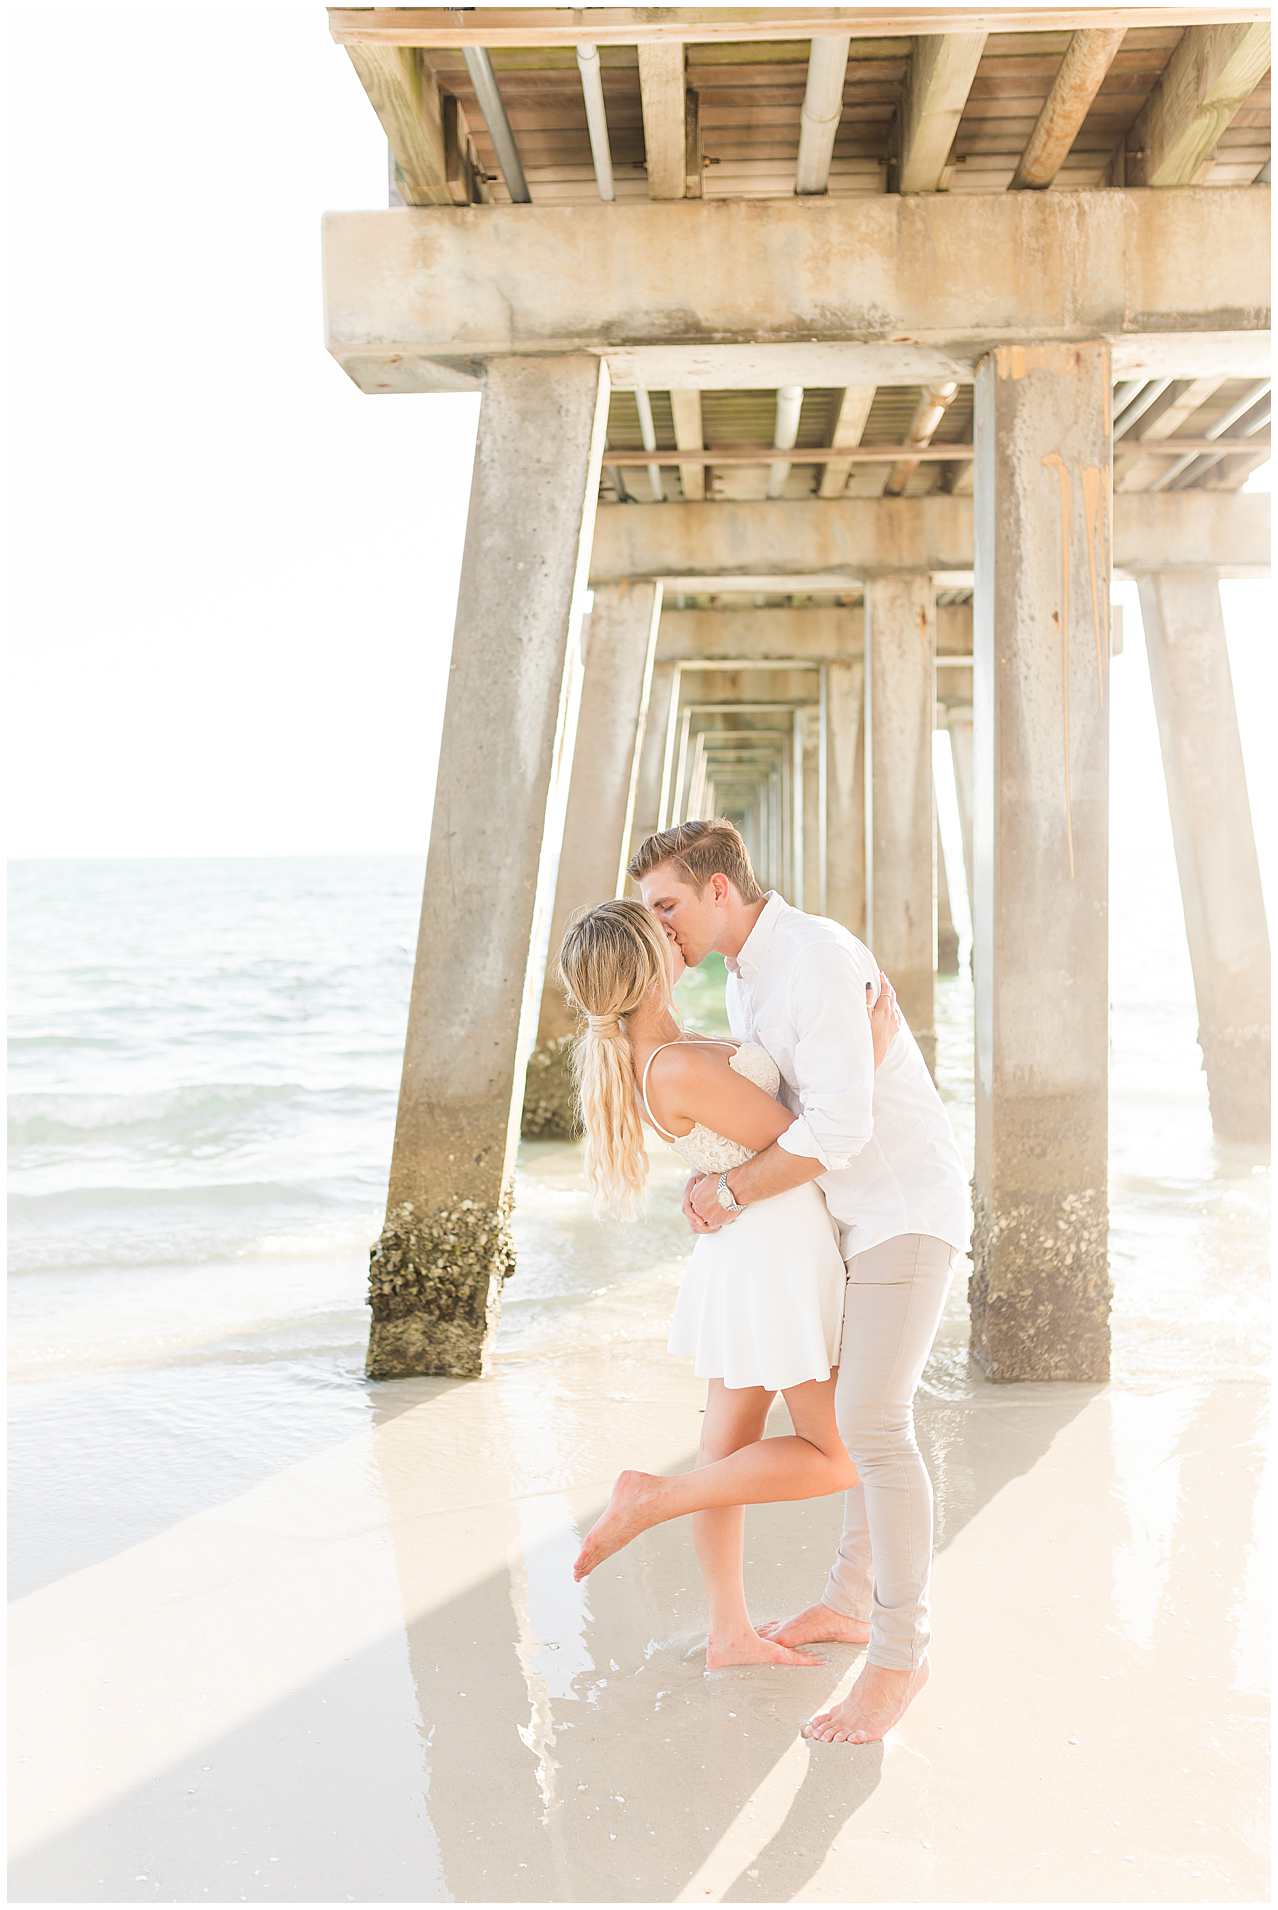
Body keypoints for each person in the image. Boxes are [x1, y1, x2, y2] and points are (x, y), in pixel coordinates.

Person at [628, 818, 972, 1748]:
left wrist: (726, 1191)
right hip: (842, 1224)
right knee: (858, 1420)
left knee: (872, 1430)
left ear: (719, 890)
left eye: (667, 907)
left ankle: (901, 1658)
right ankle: (850, 1607)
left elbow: (840, 1131)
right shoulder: (746, 981)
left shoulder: (814, 956)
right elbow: (775, 1109)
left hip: (900, 1210)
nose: (660, 930)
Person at [557, 896, 899, 1671]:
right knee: (838, 1455)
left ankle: (728, 1633)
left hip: (752, 1248)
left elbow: (753, 1143)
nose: (675, 930)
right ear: (649, 971)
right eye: (660, 930)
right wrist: (866, 1064)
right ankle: (653, 1498)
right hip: (774, 1255)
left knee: (726, 1453)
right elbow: (801, 1143)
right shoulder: (674, 1065)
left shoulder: (676, 1050)